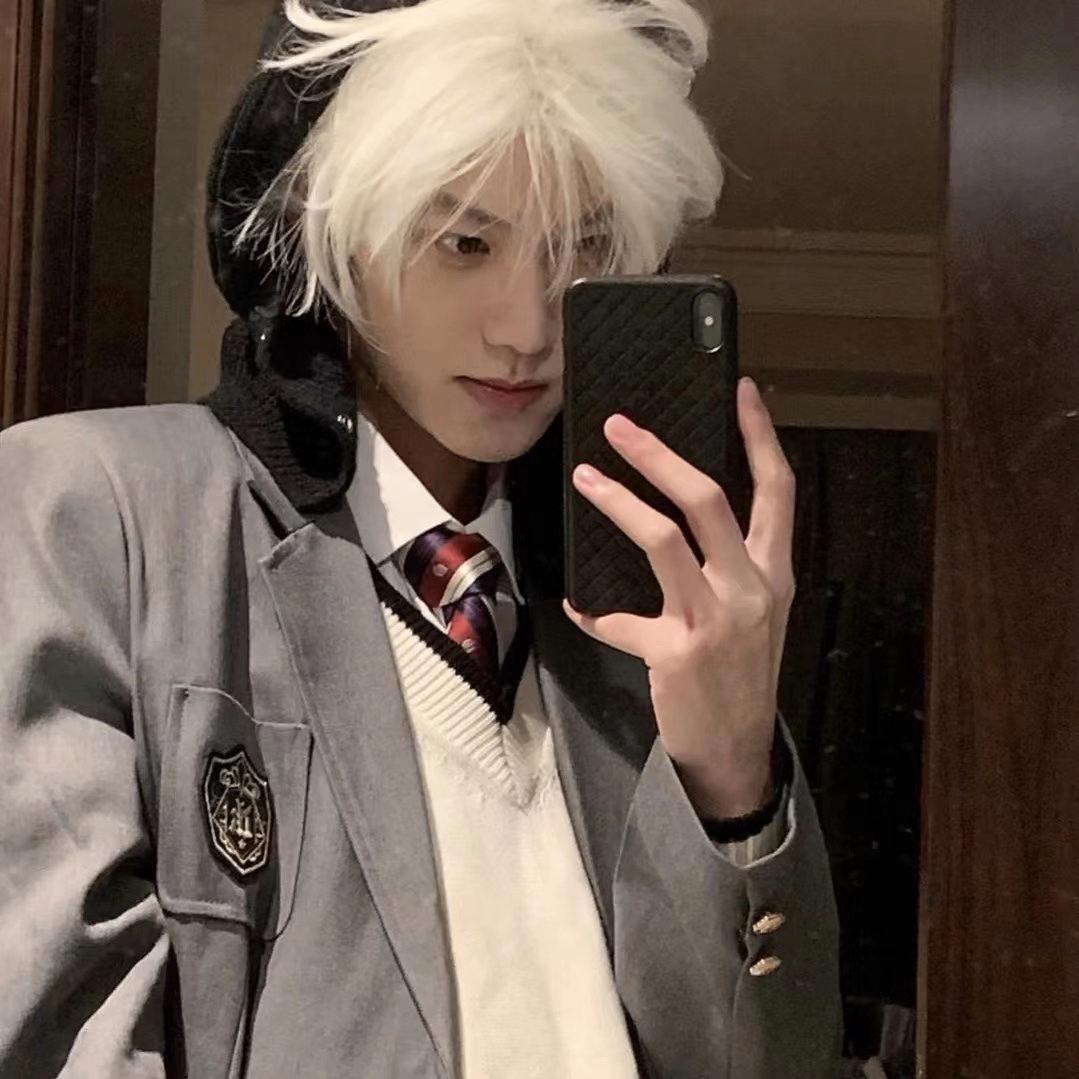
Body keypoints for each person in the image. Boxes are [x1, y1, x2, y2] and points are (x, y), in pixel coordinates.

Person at [0, 0, 840, 1075]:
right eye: (465, 243)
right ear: (339, 231)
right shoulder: (101, 514)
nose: (527, 326)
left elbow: (772, 1057)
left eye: (582, 248)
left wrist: (731, 779)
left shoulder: (630, 612)